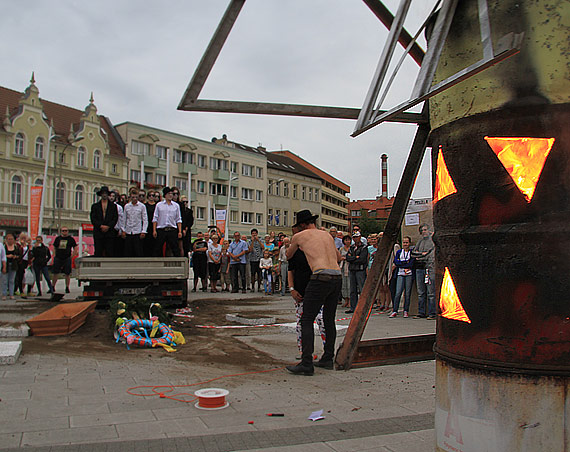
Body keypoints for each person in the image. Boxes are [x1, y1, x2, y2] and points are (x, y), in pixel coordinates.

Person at [285, 209, 341, 376]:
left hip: (320, 276)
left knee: (306, 319)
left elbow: (288, 256)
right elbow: (338, 257)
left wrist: (296, 245)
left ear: (302, 224)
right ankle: (328, 357)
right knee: (329, 318)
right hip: (337, 277)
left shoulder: (299, 236)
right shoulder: (327, 235)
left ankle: (306, 363)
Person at [287, 226, 326, 360]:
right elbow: (290, 271)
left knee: (321, 320)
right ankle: (304, 351)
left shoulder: (314, 249)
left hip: (315, 290)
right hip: (300, 292)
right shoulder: (293, 252)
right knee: (300, 323)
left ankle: (327, 351)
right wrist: (292, 289)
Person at [411, 223, 436, 319]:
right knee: (420, 292)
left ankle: (432, 313)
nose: (424, 232)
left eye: (425, 230)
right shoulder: (420, 242)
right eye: (422, 230)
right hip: (419, 269)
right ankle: (421, 312)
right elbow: (413, 253)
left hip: (429, 268)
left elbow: (430, 255)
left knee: (431, 292)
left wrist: (421, 255)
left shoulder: (432, 242)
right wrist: (421, 254)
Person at [152, 187, 182, 257]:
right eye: (169, 194)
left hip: (172, 229)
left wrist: (179, 231)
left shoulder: (176, 206)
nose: (171, 195)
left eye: (172, 194)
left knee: (175, 248)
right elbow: (155, 218)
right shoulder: (159, 205)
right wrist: (154, 230)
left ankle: (178, 263)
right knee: (157, 248)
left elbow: (178, 219)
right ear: (165, 195)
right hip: (161, 229)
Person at [390, 236, 415, 318]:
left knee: (407, 293)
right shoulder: (399, 252)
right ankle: (395, 310)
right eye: (404, 242)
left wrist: (403, 263)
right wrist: (404, 263)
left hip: (409, 274)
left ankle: (406, 310)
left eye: (407, 242)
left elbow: (411, 263)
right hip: (400, 273)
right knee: (398, 292)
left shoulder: (411, 252)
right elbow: (396, 262)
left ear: (409, 243)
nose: (405, 244)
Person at [90, 186, 119, 257]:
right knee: (98, 251)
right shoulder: (95, 206)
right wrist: (100, 226)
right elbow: (93, 218)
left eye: (106, 193)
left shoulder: (113, 206)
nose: (104, 195)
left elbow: (115, 218)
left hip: (109, 232)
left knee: (109, 251)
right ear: (100, 194)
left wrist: (108, 226)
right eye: (103, 193)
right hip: (98, 232)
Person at [345, 232, 368, 314]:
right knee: (352, 290)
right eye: (354, 237)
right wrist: (355, 257)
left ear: (360, 237)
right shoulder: (351, 247)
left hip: (360, 270)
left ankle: (362, 307)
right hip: (352, 269)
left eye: (357, 237)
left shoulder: (364, 247)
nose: (355, 239)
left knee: (362, 289)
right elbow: (348, 257)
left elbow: (362, 259)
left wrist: (353, 258)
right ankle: (353, 307)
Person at [122, 187, 148, 257]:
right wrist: (123, 230)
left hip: (137, 231)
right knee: (128, 251)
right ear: (130, 197)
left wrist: (143, 231)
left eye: (136, 197)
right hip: (128, 231)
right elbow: (124, 219)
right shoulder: (127, 206)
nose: (135, 199)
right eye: (133, 197)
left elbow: (145, 219)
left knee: (138, 251)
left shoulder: (142, 206)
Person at [51, 227, 77, 294]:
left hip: (67, 258)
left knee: (67, 273)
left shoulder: (71, 239)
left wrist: (72, 256)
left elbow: (75, 247)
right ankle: (52, 286)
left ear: (68, 231)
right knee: (55, 273)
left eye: (66, 231)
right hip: (58, 257)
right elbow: (54, 247)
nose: (64, 232)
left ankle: (67, 287)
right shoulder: (58, 239)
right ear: (61, 231)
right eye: (63, 231)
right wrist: (54, 255)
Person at [2, 233, 21, 300]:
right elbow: (2, 256)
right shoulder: (4, 247)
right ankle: (4, 294)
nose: (10, 240)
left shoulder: (16, 247)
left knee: (12, 280)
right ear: (6, 240)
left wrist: (15, 257)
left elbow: (19, 255)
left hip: (13, 265)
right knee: (4, 280)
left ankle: (11, 294)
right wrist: (7, 256)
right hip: (6, 265)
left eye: (12, 239)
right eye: (9, 239)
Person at [339, 235, 352, 308]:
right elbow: (339, 257)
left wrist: (348, 258)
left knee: (349, 284)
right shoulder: (341, 249)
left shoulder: (352, 248)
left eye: (348, 240)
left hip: (350, 266)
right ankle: (346, 300)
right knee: (344, 284)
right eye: (346, 240)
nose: (347, 241)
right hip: (343, 267)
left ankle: (350, 301)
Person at [143, 190, 157, 257]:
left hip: (155, 226)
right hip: (147, 226)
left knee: (154, 244)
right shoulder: (144, 206)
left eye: (153, 195)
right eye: (150, 195)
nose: (151, 197)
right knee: (146, 244)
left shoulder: (157, 206)